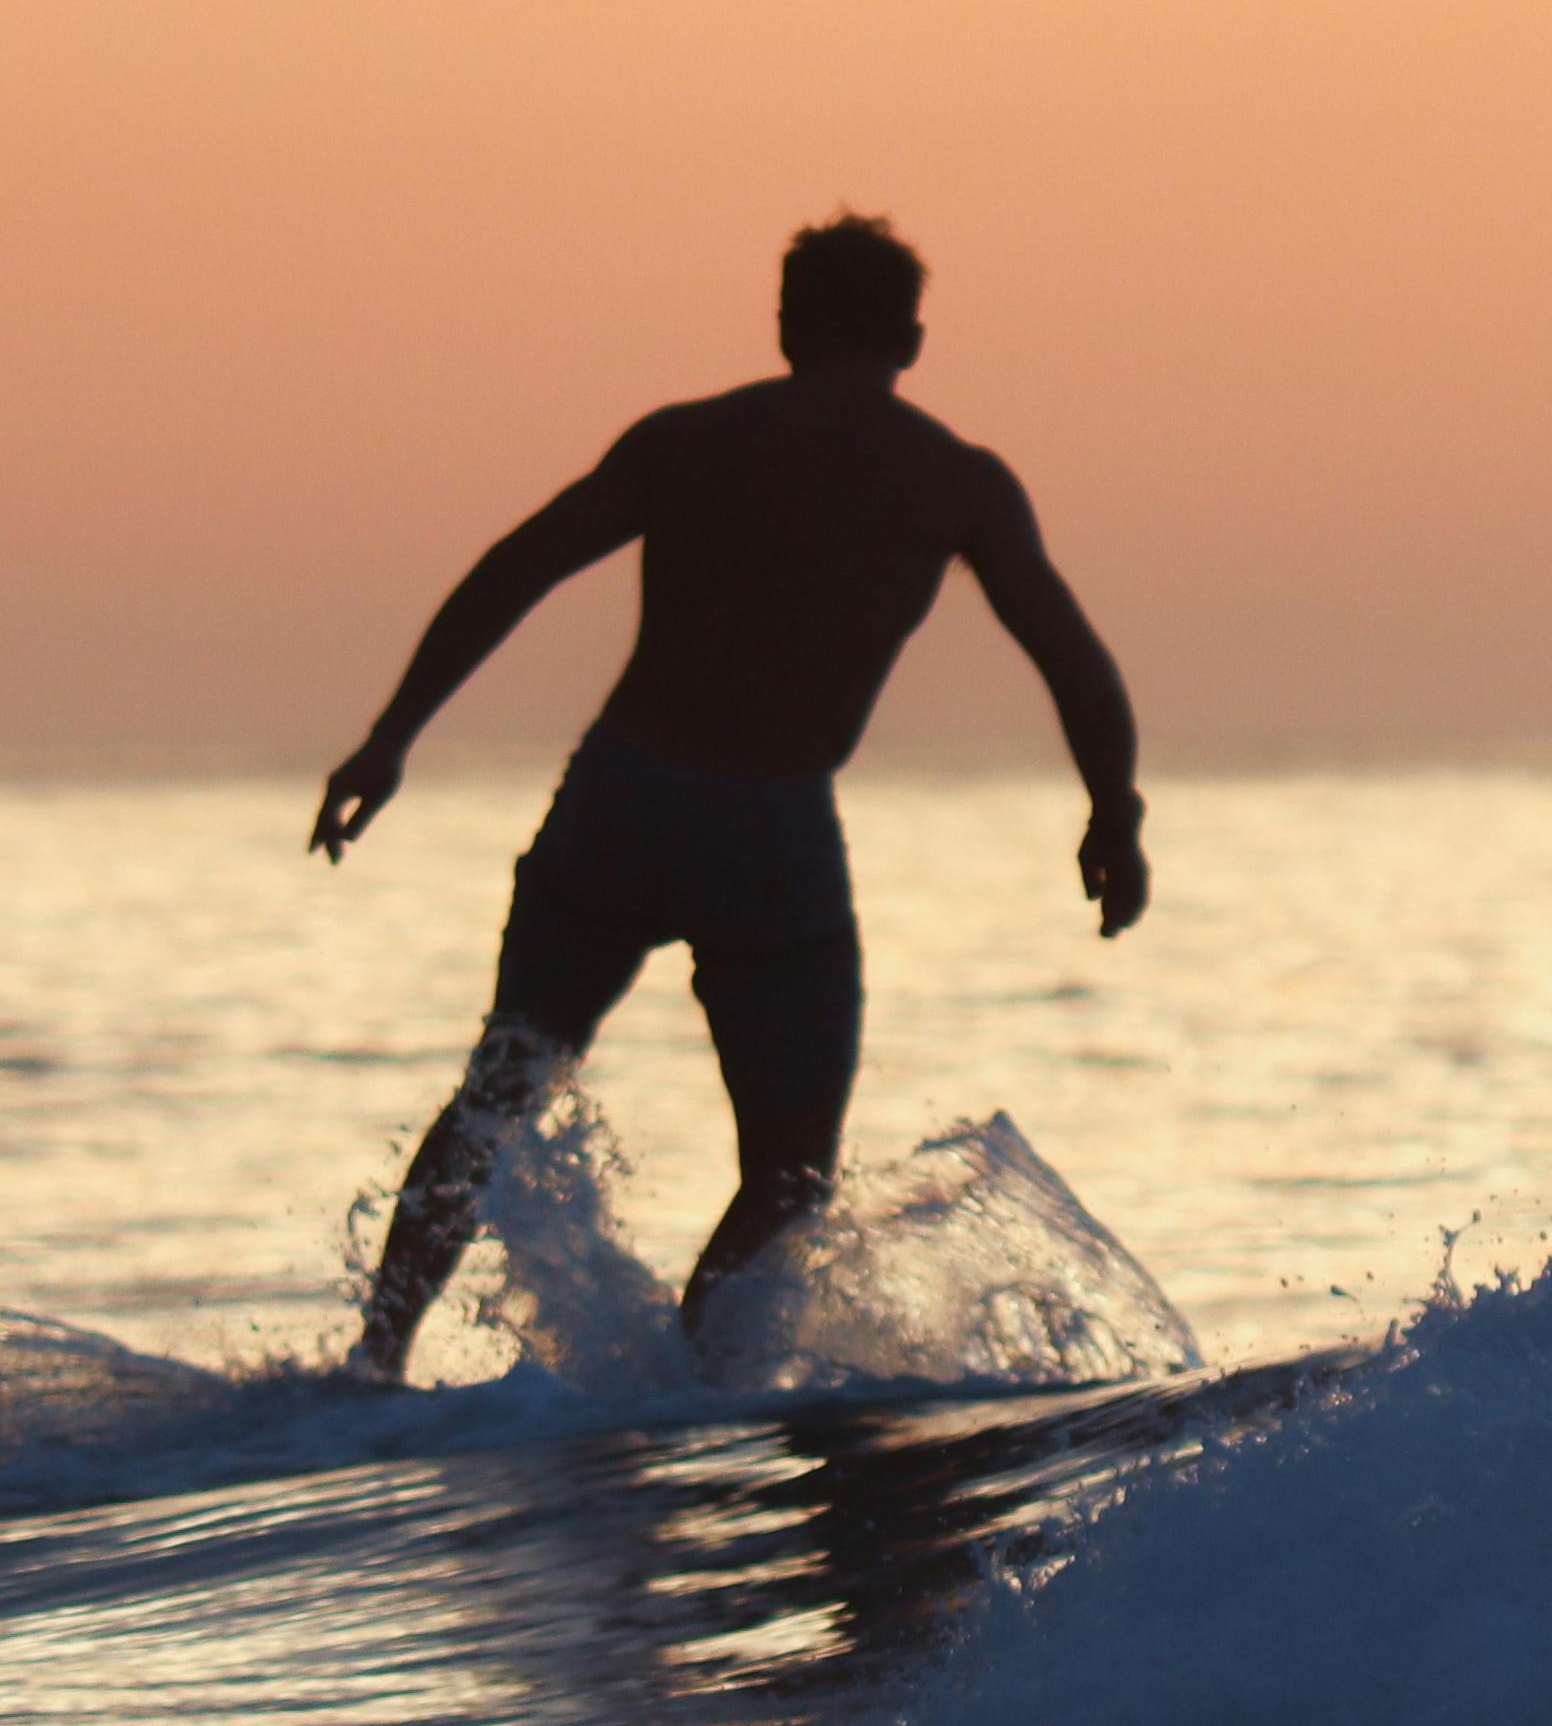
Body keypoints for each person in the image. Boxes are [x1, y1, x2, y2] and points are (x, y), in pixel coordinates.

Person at [309, 212, 1147, 1380]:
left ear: (788, 325)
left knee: (504, 1087)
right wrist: (1115, 816)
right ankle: (689, 1391)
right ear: (910, 335)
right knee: (790, 1169)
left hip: (622, 795)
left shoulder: (688, 442)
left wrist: (390, 738)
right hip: (771, 827)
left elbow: (519, 565)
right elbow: (1075, 662)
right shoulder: (955, 484)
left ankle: (371, 1358)